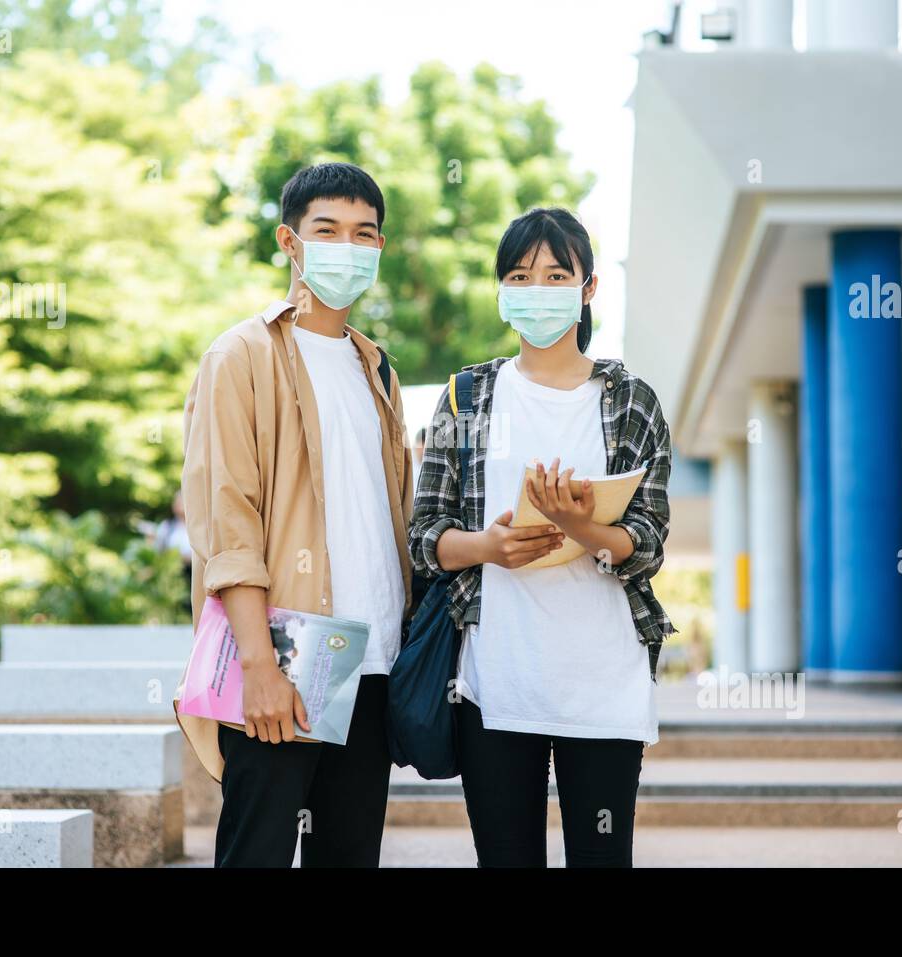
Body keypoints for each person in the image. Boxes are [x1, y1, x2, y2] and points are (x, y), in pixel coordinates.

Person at [409, 206, 675, 867]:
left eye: (557, 275)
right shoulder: (467, 396)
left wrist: (581, 525)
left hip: (604, 682)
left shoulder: (631, 400)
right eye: (521, 276)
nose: (538, 290)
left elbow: (648, 542)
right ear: (501, 290)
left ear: (588, 288)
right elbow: (425, 536)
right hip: (496, 683)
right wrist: (487, 548)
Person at [176, 162, 413, 867]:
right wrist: (259, 664)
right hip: (287, 654)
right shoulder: (240, 355)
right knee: (257, 853)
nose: (347, 247)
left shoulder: (378, 369)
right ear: (289, 240)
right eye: (327, 230)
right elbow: (229, 522)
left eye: (364, 234)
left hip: (372, 661)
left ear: (379, 247)